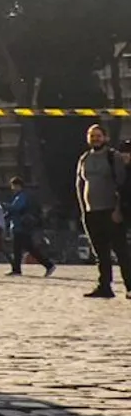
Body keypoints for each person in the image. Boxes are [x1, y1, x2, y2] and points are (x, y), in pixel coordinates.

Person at [76, 124, 130, 298]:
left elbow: (122, 184)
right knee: (100, 253)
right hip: (91, 212)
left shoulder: (113, 157)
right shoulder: (84, 158)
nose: (95, 139)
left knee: (121, 251)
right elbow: (80, 184)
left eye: (98, 136)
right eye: (92, 136)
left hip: (111, 211)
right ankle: (104, 286)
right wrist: (83, 210)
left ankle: (129, 286)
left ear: (105, 138)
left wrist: (118, 209)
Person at [5, 177, 55, 276]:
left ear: (18, 186)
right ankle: (17, 270)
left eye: (13, 186)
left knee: (25, 249)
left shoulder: (22, 196)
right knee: (21, 249)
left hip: (20, 227)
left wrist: (5, 206)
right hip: (20, 227)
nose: (12, 188)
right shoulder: (21, 196)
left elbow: (16, 208)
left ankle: (48, 265)